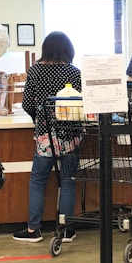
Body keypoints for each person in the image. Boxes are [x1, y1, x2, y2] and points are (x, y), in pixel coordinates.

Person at [15, 31, 82, 244]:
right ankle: (66, 230)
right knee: (68, 180)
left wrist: (41, 120)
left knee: (38, 180)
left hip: (46, 136)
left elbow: (26, 103)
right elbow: (82, 104)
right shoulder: (74, 72)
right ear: (68, 50)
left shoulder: (35, 71)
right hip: (70, 133)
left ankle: (33, 230)